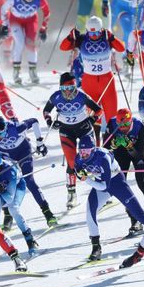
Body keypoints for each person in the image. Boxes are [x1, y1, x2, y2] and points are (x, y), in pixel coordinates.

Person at [74, 137, 144, 263]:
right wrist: (79, 173)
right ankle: (96, 248)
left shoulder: (103, 157)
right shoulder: (79, 158)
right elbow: (77, 169)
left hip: (116, 183)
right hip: (100, 183)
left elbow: (105, 186)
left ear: (93, 149)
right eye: (81, 151)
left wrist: (86, 179)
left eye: (86, 151)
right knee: (89, 211)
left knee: (139, 215)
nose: (84, 154)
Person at [0, 113, 58, 226]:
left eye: (1, 133)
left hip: (23, 152)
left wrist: (40, 143)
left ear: (5, 127)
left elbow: (34, 120)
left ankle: (47, 212)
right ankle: (7, 215)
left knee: (29, 180)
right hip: (4, 154)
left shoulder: (15, 127)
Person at [42, 72, 102, 209]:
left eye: (71, 88)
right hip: (66, 131)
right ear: (60, 88)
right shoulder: (55, 97)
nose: (68, 92)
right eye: (65, 89)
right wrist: (49, 121)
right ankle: (72, 194)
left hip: (84, 130)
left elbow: (99, 110)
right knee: (72, 162)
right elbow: (46, 112)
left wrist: (92, 120)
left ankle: (101, 188)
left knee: (91, 158)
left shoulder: (82, 96)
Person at [59, 16, 126, 131]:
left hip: (107, 81)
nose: (94, 37)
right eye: (91, 33)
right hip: (89, 83)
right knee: (91, 117)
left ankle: (112, 144)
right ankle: (93, 144)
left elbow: (121, 48)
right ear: (87, 31)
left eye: (96, 34)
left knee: (112, 116)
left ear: (101, 30)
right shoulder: (82, 39)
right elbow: (63, 47)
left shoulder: (106, 37)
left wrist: (112, 37)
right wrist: (70, 37)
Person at [103, 108, 144, 235]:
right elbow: (104, 149)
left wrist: (129, 146)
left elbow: (138, 154)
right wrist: (113, 145)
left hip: (137, 152)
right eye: (120, 124)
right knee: (122, 187)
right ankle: (135, 220)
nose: (123, 127)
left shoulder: (139, 126)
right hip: (121, 154)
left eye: (127, 124)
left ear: (131, 121)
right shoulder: (111, 124)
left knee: (142, 182)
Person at [0, 151, 39, 257]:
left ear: (0, 165)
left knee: (13, 209)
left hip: (16, 189)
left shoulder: (10, 171)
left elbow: (9, 199)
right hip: (1, 191)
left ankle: (30, 239)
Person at [0, 0, 50, 85]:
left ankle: (33, 72)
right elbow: (3, 9)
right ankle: (16, 73)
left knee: (30, 44)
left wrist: (44, 28)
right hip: (15, 20)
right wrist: (4, 25)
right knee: (20, 42)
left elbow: (47, 12)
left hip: (31, 20)